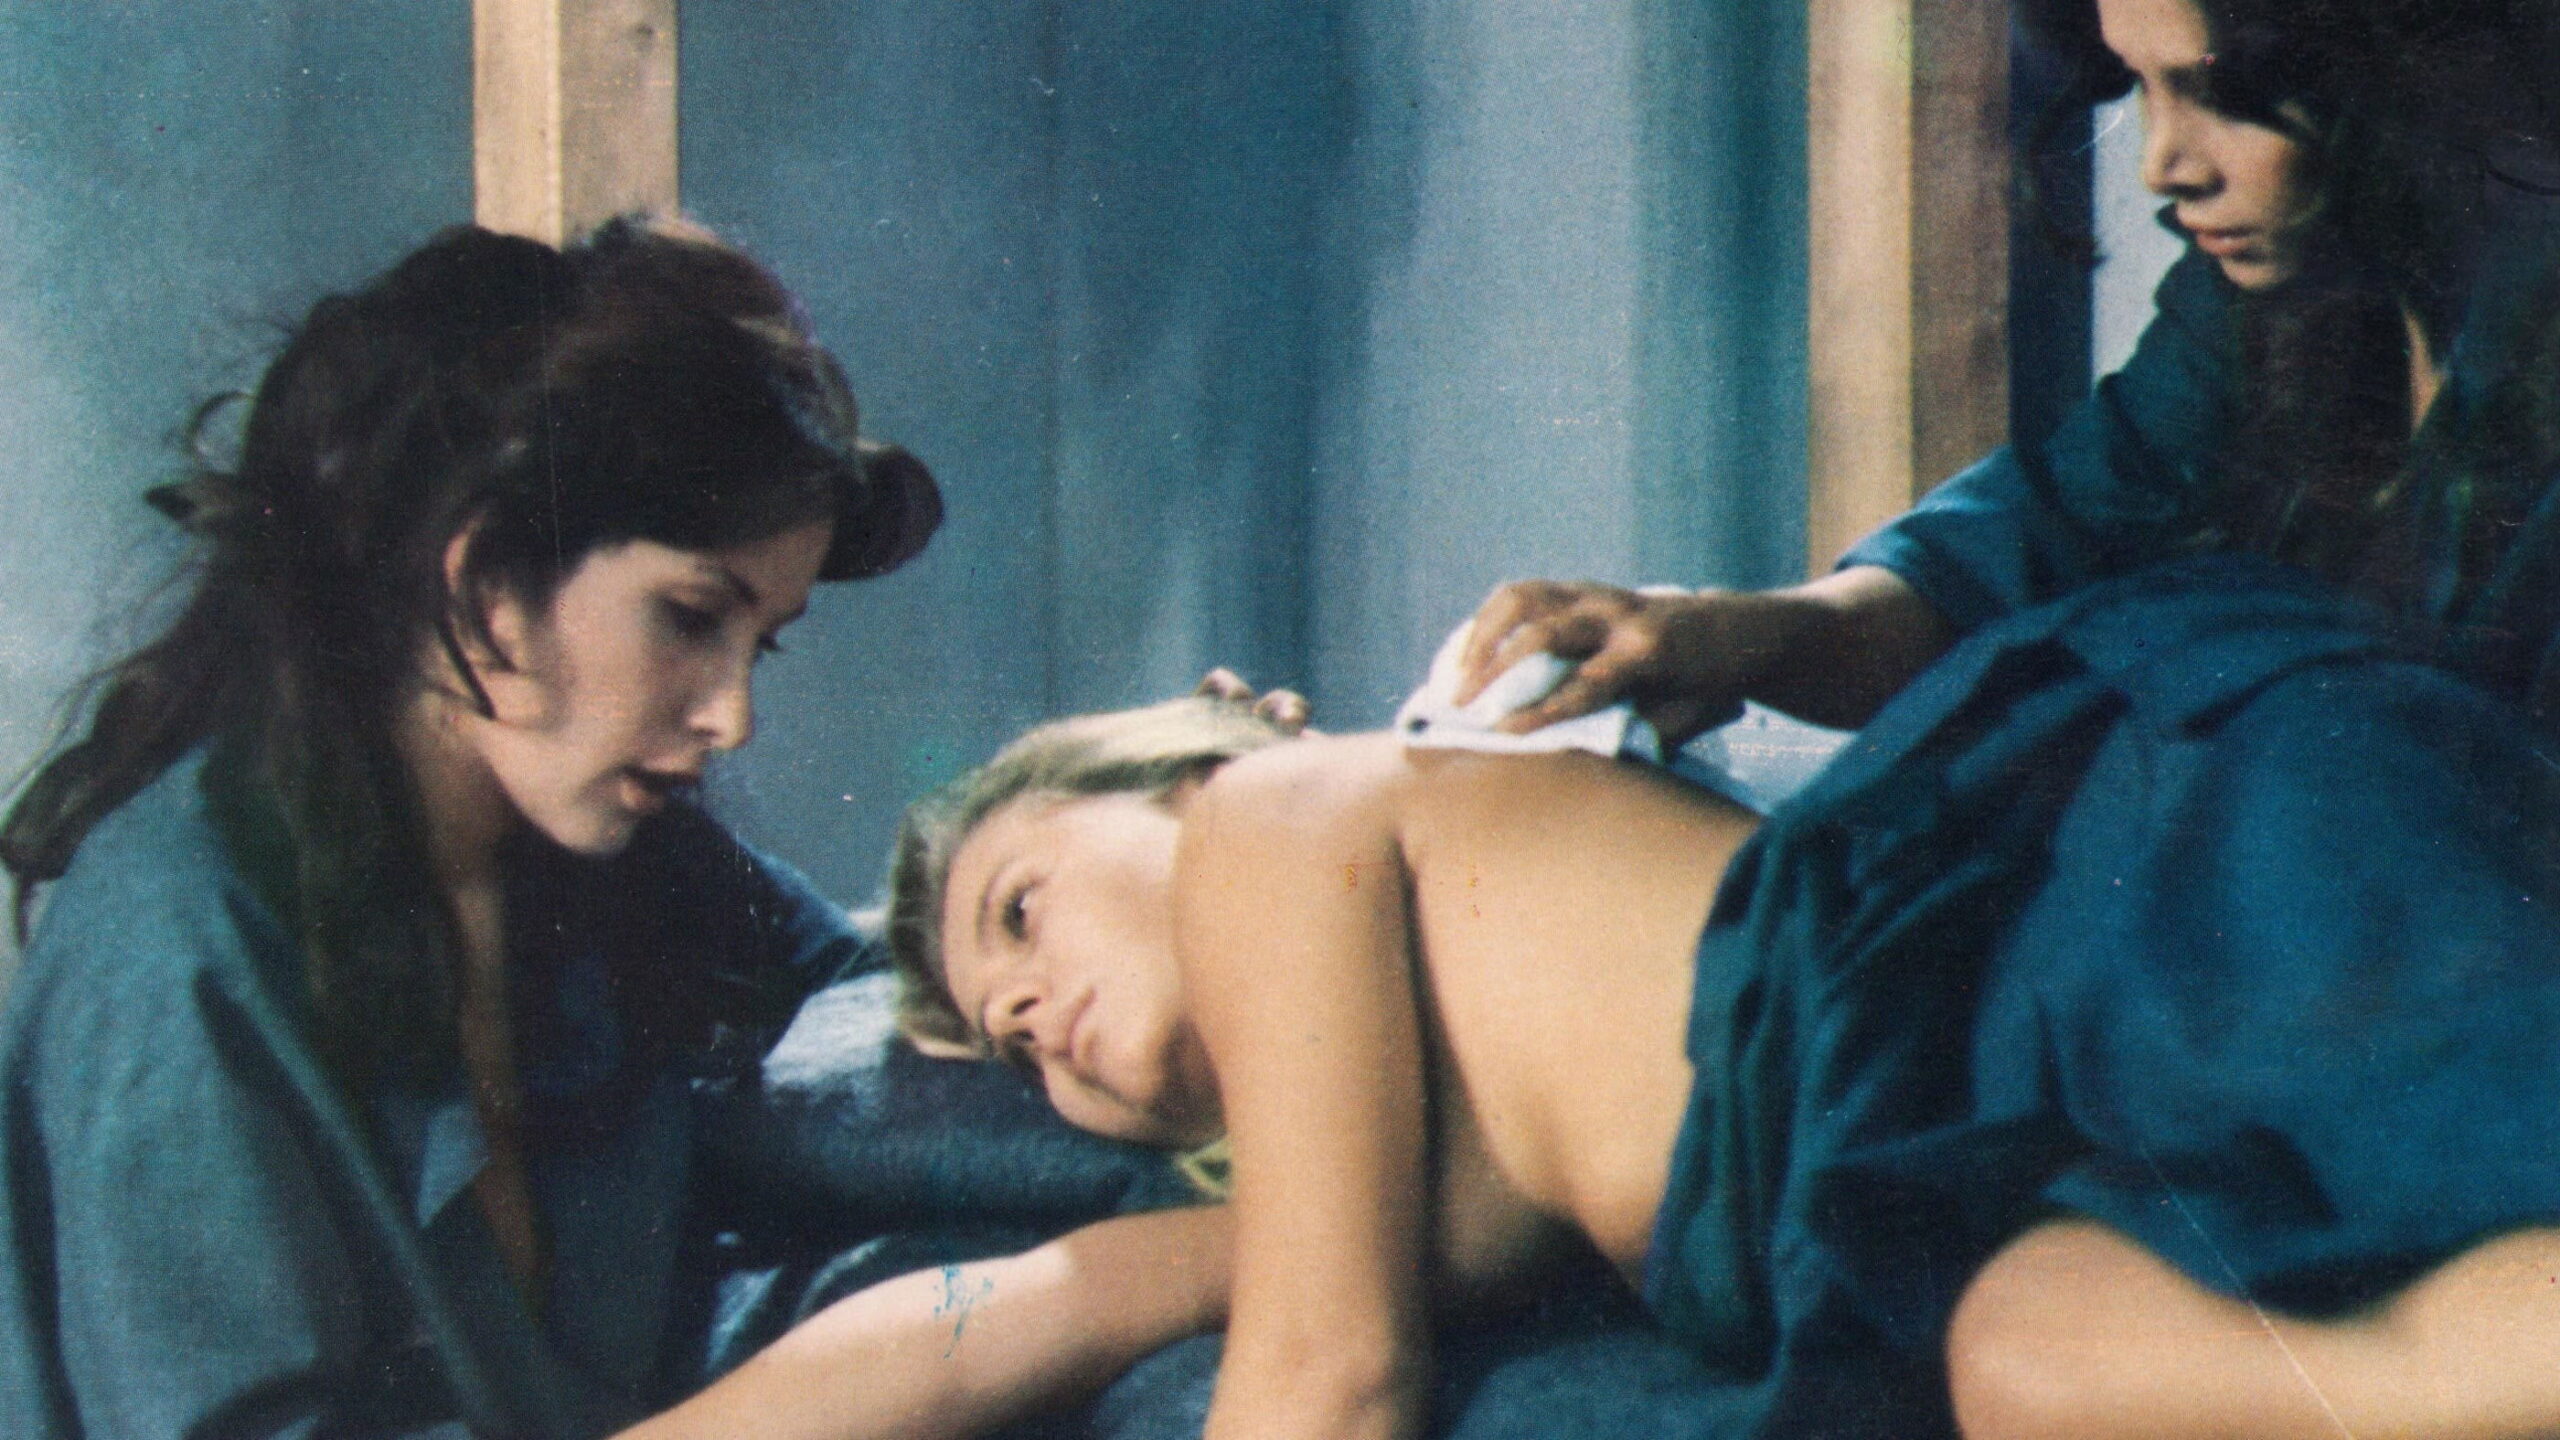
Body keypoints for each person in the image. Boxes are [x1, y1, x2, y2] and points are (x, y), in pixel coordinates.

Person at [888, 546, 2560, 1440]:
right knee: (2040, 1372)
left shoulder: (1279, 819)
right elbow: (1006, 1321)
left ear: (1183, 766)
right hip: (1958, 1162)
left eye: (1018, 912)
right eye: (999, 1039)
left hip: (2096, 892)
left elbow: (1326, 1382)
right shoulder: (1327, 1184)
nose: (1025, 1012)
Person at [0, 215, 1210, 1440]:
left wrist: (1232, 862)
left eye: (760, 644)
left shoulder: (622, 864)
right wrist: (1073, 1301)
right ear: (485, 589)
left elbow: (899, 1038)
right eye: (689, 618)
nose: (732, 716)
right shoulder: (176, 943)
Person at [1456, 0, 2560, 742]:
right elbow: (2009, 554)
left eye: (2218, 95)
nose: (2162, 166)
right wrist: (1722, 632)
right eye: (2141, 90)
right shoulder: (2263, 312)